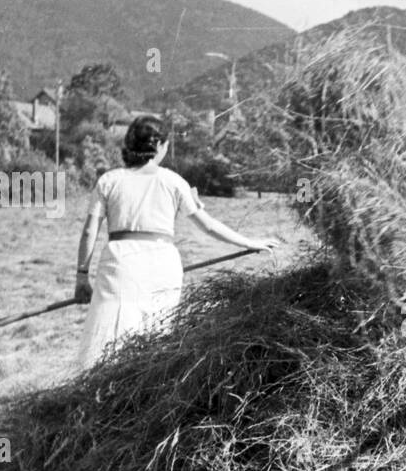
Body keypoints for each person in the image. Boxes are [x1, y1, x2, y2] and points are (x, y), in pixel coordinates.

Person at [74, 115, 279, 369]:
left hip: (120, 268)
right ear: (159, 146)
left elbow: (88, 232)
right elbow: (209, 225)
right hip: (161, 266)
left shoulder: (109, 180)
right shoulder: (173, 181)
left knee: (109, 343)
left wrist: (82, 277)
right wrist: (249, 242)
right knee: (155, 342)